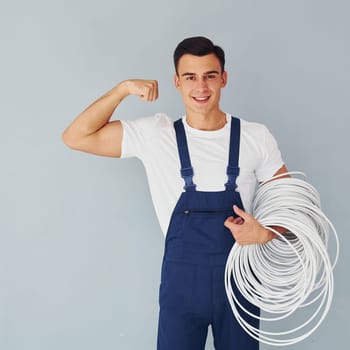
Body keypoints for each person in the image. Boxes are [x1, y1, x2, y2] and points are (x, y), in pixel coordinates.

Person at [62, 36, 288, 350]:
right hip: (182, 287)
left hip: (241, 282)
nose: (201, 87)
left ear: (223, 78)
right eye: (190, 77)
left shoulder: (255, 137)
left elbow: (293, 208)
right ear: (176, 82)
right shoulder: (156, 134)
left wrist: (264, 233)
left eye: (210, 75)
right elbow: (76, 137)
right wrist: (123, 88)